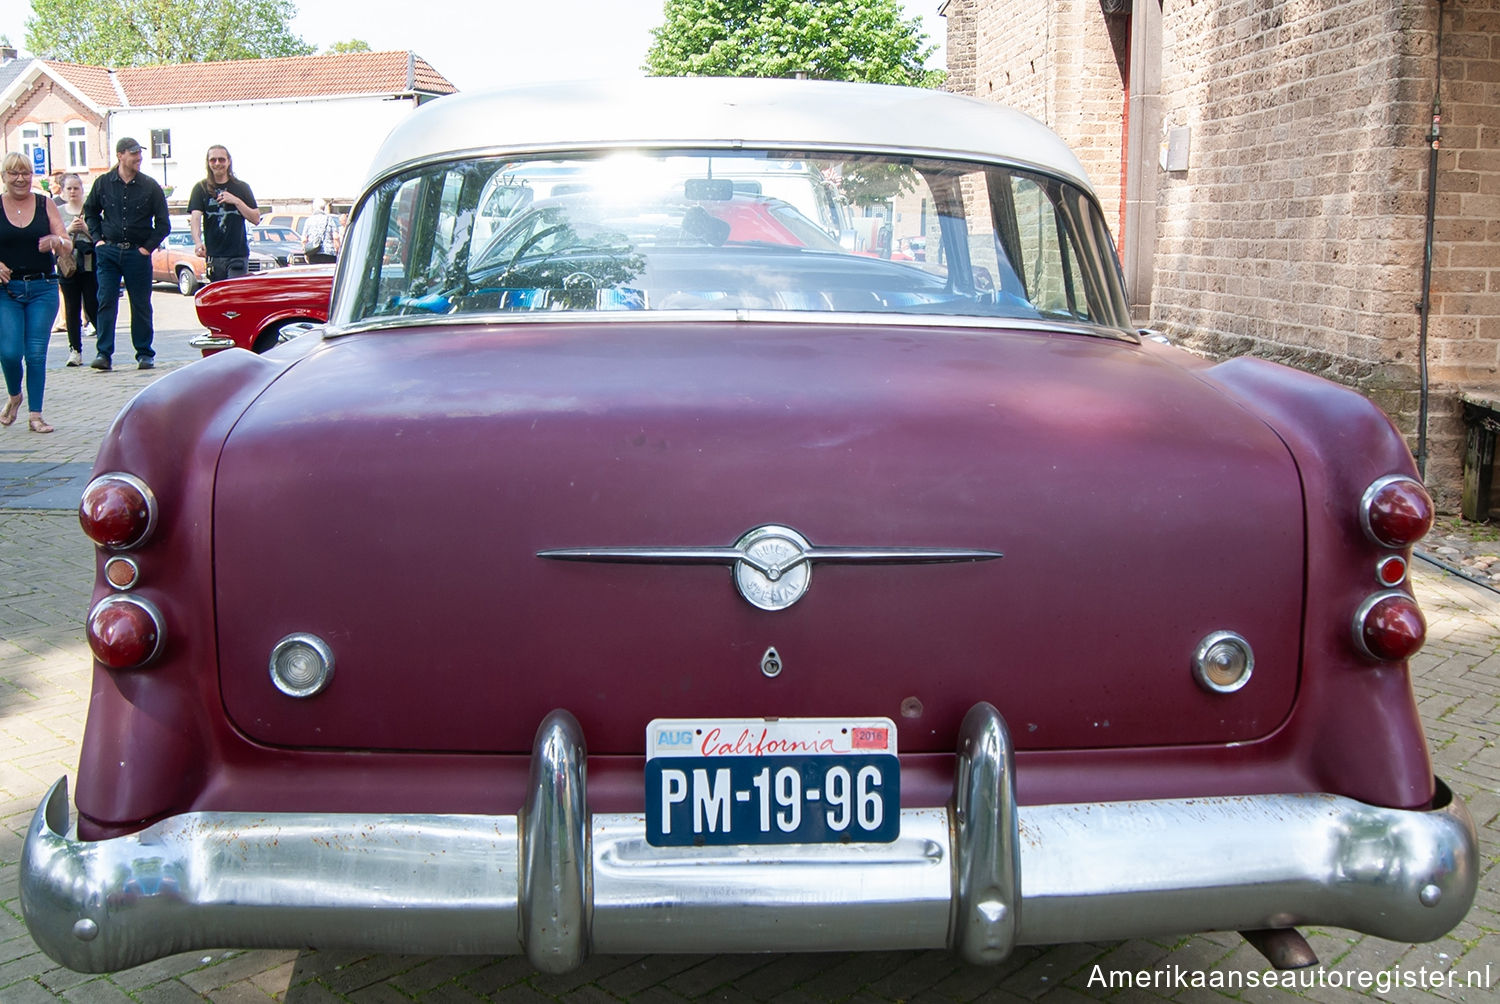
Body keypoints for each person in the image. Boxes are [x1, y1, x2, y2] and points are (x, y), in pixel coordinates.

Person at [83, 137, 170, 371]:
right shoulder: (103, 183)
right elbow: (90, 212)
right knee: (106, 301)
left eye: (139, 154)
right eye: (133, 154)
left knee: (141, 304)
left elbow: (163, 224)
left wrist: (146, 248)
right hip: (109, 251)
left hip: (137, 253)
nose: (138, 158)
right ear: (120, 155)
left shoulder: (150, 186)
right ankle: (104, 354)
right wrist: (98, 240)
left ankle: (144, 353)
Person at [0, 152, 71, 433]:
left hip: (43, 287)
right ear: (4, 177)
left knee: (36, 353)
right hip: (7, 290)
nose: (20, 179)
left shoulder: (45, 204)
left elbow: (67, 243)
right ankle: (15, 395)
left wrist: (56, 240)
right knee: (9, 352)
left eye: (26, 173)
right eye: (14, 173)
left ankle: (35, 415)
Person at [188, 144, 260, 283]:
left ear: (229, 161)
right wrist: (198, 243)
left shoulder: (241, 187)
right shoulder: (200, 188)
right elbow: (195, 218)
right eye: (213, 160)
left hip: (237, 255)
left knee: (233, 297)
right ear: (208, 163)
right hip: (214, 256)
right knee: (218, 300)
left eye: (221, 160)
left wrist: (236, 201)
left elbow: (256, 218)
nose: (217, 164)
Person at [57, 173, 97, 367]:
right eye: (69, 188)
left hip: (89, 264)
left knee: (92, 304)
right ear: (63, 192)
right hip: (68, 266)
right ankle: (75, 350)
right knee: (72, 308)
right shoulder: (58, 212)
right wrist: (69, 230)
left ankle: (103, 346)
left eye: (76, 188)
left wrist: (86, 229)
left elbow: (99, 235)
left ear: (82, 190)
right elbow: (55, 237)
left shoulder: (90, 210)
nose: (73, 192)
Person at [300, 199, 341, 263]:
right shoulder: (329, 219)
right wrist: (338, 251)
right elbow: (336, 237)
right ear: (324, 208)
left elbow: (304, 239)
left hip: (313, 253)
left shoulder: (309, 220)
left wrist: (306, 253)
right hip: (329, 253)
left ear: (313, 208)